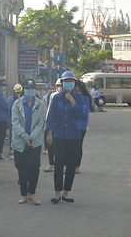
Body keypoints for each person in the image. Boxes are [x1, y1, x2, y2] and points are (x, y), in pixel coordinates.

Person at [46, 71, 84, 203]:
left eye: (71, 81)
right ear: (62, 83)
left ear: (74, 83)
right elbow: (51, 116)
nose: (68, 84)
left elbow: (80, 115)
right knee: (58, 165)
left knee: (71, 165)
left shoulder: (79, 97)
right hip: (59, 136)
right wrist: (49, 133)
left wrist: (72, 101)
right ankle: (57, 193)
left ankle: (66, 192)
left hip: (73, 136)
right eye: (66, 81)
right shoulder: (56, 98)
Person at [11, 79, 46, 205]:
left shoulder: (41, 104)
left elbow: (41, 122)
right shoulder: (17, 104)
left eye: (32, 88)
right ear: (24, 89)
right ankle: (24, 194)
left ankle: (32, 193)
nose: (29, 90)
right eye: (27, 88)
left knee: (35, 168)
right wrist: (24, 137)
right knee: (21, 167)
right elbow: (15, 122)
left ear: (35, 89)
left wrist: (31, 137)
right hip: (20, 141)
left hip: (35, 142)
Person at [43, 79, 62, 172]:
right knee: (50, 144)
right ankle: (51, 164)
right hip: (52, 123)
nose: (59, 87)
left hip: (61, 125)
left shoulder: (68, 96)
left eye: (61, 85)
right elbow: (49, 109)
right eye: (58, 85)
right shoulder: (53, 96)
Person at [74, 80, 91, 174]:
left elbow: (83, 114)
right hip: (72, 126)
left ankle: (77, 166)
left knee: (78, 145)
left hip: (81, 126)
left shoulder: (85, 98)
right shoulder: (72, 96)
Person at [7, 83, 23, 158]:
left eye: (19, 92)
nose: (18, 94)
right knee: (12, 134)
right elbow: (8, 109)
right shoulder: (10, 99)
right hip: (12, 120)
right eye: (17, 92)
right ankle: (11, 149)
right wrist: (9, 119)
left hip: (21, 120)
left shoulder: (23, 99)